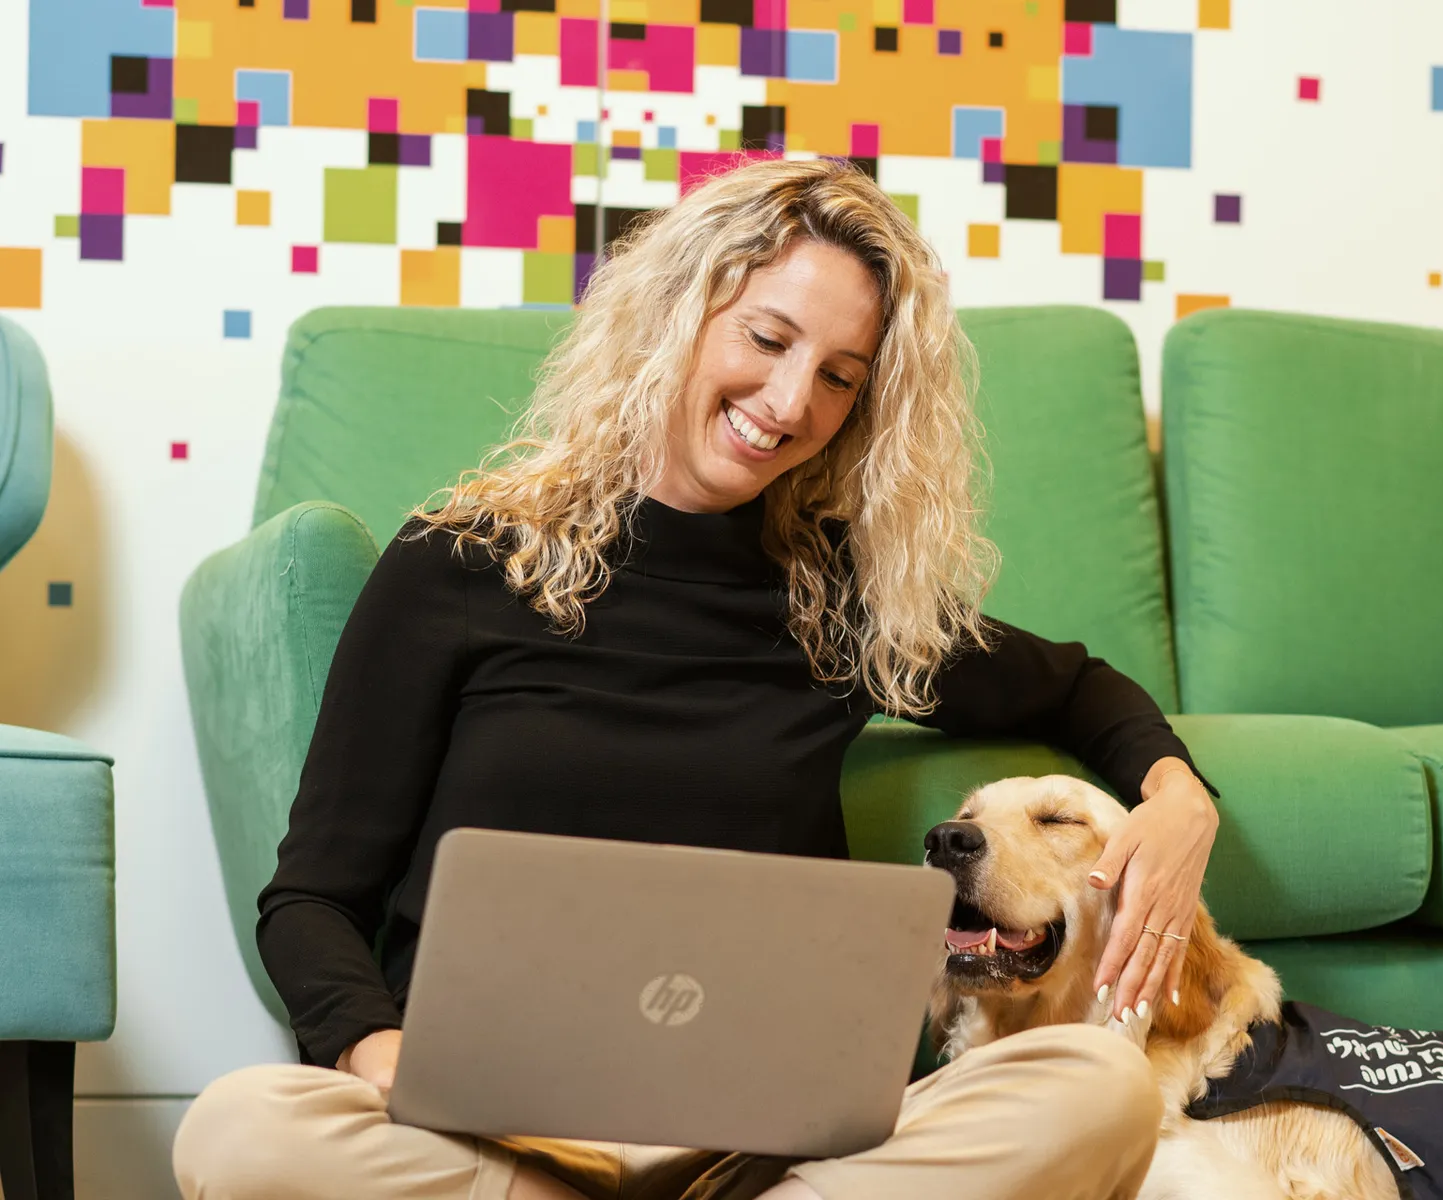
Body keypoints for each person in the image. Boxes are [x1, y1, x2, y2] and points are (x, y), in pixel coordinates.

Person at [173, 158, 1221, 1200]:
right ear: (678, 311)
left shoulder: (845, 601)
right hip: (489, 1141)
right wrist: (381, 1055)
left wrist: (1178, 796)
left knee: (1096, 1090)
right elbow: (310, 897)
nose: (787, 401)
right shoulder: (458, 563)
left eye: (840, 377)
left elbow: (1077, 687)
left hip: (760, 1152)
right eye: (767, 339)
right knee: (240, 1131)